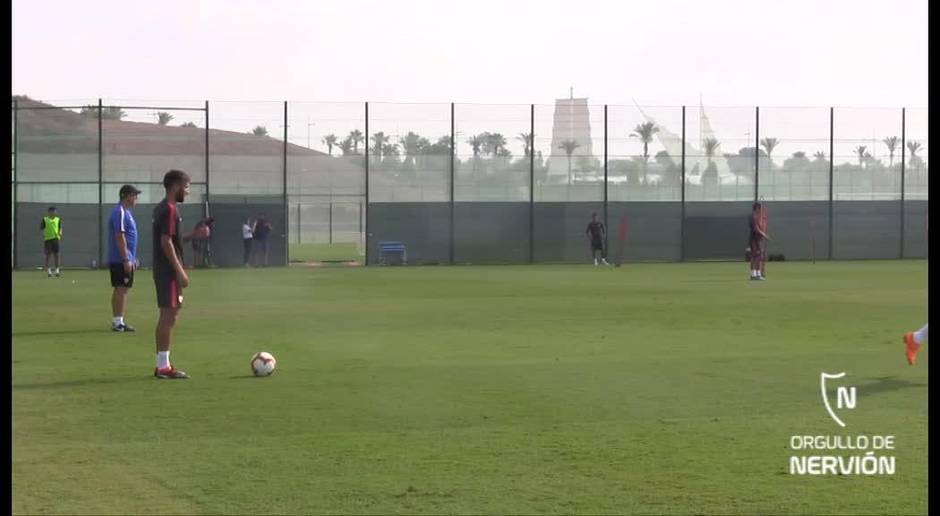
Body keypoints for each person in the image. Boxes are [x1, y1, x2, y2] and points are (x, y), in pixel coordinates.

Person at [152, 169, 209, 379]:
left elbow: (172, 240)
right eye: (186, 187)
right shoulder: (169, 209)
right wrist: (180, 271)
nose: (188, 191)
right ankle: (163, 367)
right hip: (168, 271)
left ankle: (162, 364)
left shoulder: (161, 208)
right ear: (175, 186)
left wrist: (194, 235)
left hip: (162, 269)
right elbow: (165, 242)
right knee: (169, 316)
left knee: (168, 316)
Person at [107, 184, 142, 332]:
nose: (136, 199)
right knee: (122, 289)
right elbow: (119, 236)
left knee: (121, 289)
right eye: (135, 195)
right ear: (126, 196)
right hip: (120, 259)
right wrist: (126, 259)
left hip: (125, 258)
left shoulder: (125, 212)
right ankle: (118, 322)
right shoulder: (119, 212)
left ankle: (117, 321)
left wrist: (132, 258)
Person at [748, 202, 769, 281]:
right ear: (756, 208)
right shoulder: (753, 216)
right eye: (759, 208)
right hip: (754, 239)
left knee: (756, 256)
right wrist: (764, 235)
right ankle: (755, 274)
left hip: (756, 239)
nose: (760, 210)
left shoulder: (756, 216)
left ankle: (756, 274)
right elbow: (756, 229)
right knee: (756, 256)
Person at [40, 206, 63, 277]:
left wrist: (60, 234)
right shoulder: (45, 219)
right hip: (48, 240)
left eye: (54, 211)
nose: (53, 212)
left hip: (55, 239)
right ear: (49, 212)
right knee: (48, 255)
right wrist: (44, 234)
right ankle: (49, 271)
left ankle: (57, 271)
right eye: (51, 211)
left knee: (57, 255)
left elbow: (60, 228)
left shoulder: (58, 219)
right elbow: (42, 228)